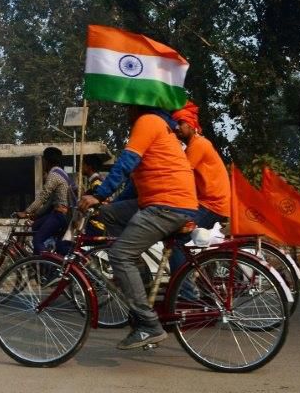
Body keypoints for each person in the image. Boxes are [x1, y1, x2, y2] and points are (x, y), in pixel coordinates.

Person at [79, 105, 198, 350]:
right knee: (109, 214)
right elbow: (134, 183)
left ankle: (149, 325)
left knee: (119, 255)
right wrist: (107, 203)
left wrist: (99, 194)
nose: (126, 111)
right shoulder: (161, 126)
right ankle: (137, 275)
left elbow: (126, 163)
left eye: (128, 106)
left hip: (167, 205)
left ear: (139, 105)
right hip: (161, 202)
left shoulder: (148, 121)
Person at [170, 101, 230, 271]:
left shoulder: (198, 145)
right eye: (175, 124)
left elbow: (180, 175)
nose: (176, 128)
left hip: (212, 204)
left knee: (176, 239)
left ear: (191, 124)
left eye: (181, 123)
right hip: (208, 203)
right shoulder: (193, 145)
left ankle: (183, 285)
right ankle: (198, 275)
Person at [16, 147, 76, 255]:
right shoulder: (63, 174)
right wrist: (36, 215)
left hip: (60, 215)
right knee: (36, 226)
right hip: (65, 215)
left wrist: (26, 212)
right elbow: (50, 202)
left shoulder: (53, 175)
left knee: (37, 241)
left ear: (46, 161)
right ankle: (39, 260)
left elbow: (43, 196)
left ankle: (44, 262)